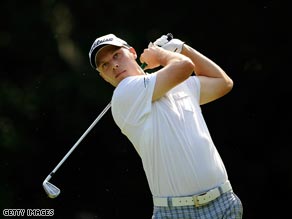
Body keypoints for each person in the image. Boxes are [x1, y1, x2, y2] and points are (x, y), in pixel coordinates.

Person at [88, 33, 243, 219]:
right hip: (177, 212)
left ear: (132, 52)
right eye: (104, 65)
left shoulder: (176, 82)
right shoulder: (123, 94)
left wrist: (182, 48)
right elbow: (185, 66)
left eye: (116, 55)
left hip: (224, 202)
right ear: (104, 77)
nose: (113, 65)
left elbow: (223, 83)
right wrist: (162, 55)